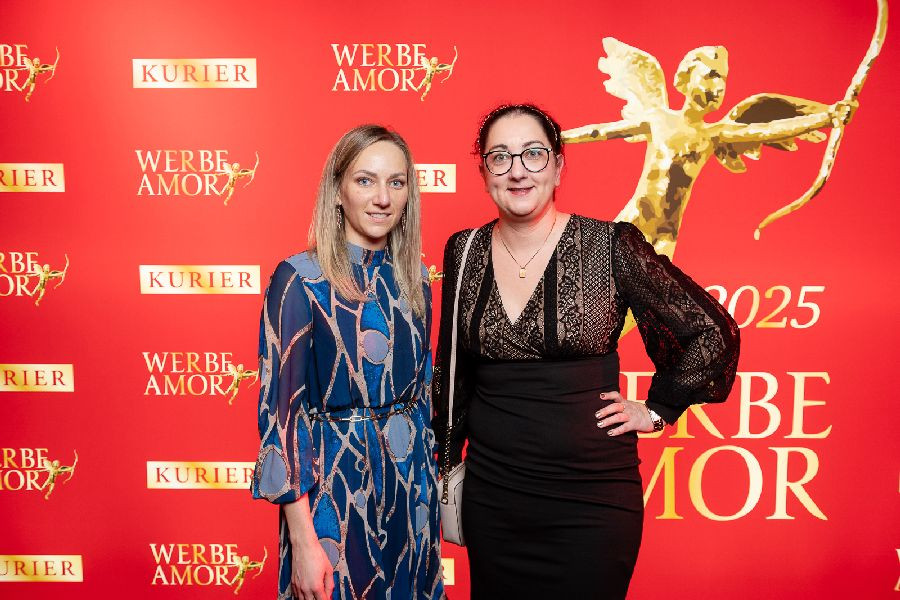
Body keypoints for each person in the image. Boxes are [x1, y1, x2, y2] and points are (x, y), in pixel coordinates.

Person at [432, 104, 740, 599]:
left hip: (591, 503)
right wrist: (445, 461)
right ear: (485, 172)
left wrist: (656, 410)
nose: (517, 170)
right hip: (496, 500)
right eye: (500, 157)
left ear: (558, 166)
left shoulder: (609, 244)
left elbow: (712, 332)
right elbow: (454, 371)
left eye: (534, 154)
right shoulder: (463, 250)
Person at [251, 125, 445, 600]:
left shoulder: (416, 279)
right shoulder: (299, 280)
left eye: (396, 182)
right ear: (337, 191)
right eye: (365, 180)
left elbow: (423, 397)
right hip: (335, 493)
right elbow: (282, 421)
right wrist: (303, 541)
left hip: (410, 489)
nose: (382, 198)